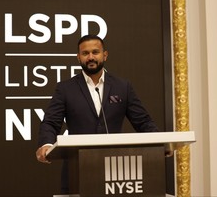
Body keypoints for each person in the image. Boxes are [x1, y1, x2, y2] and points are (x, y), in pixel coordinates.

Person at [36, 34, 159, 193]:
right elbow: (50, 122)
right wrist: (46, 144)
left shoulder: (123, 87)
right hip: (77, 169)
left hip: (117, 174)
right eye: (85, 53)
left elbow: (143, 122)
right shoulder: (65, 88)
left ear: (105, 55)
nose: (91, 57)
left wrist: (159, 144)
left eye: (95, 52)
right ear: (78, 57)